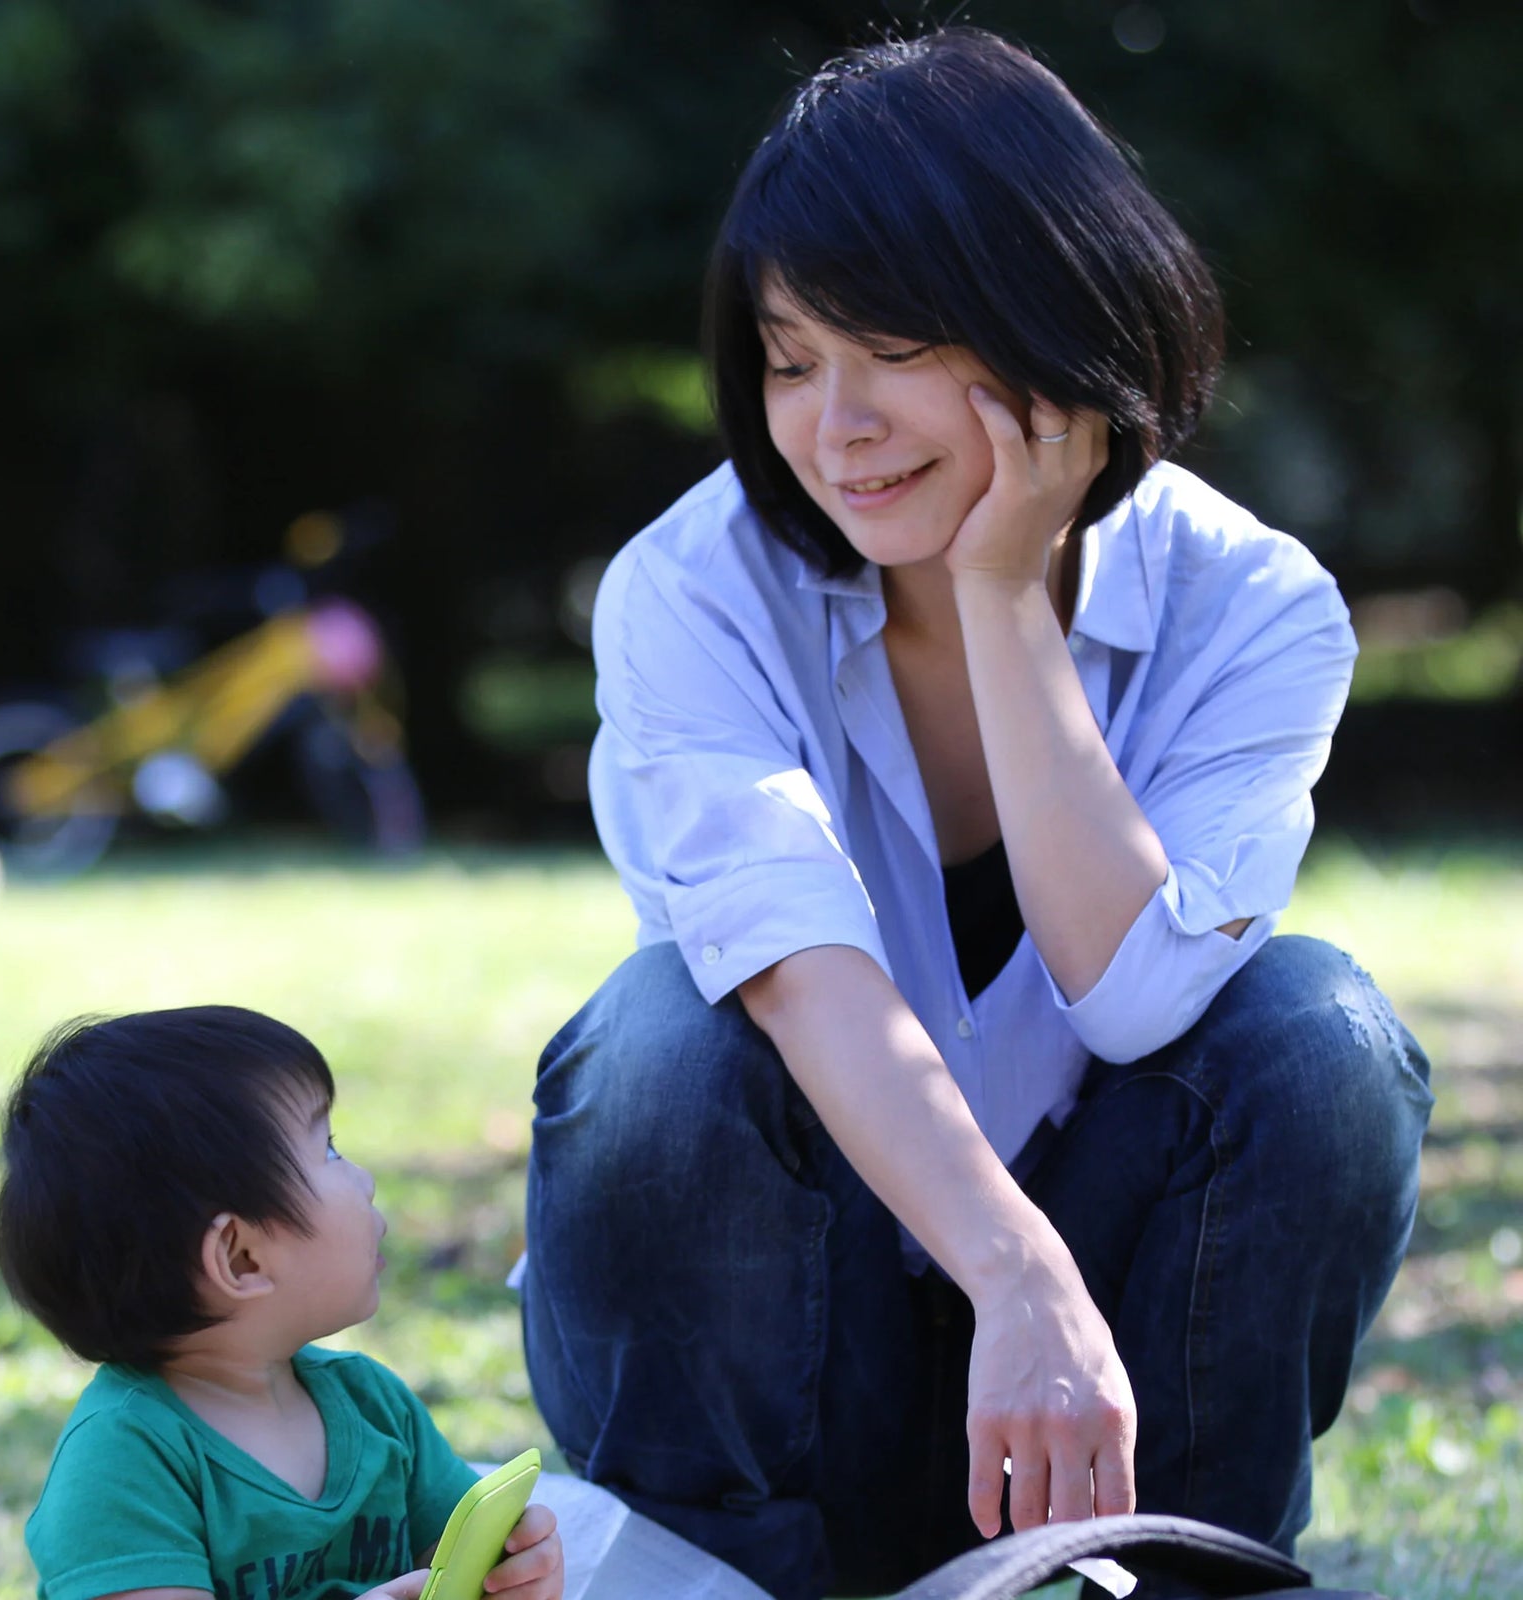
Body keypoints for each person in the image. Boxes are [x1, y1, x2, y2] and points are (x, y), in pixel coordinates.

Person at [520, 26, 1433, 1600]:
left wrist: (1004, 593)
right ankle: (707, 1583)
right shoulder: (693, 586)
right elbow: (794, 967)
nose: (837, 425)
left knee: (1316, 1034)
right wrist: (1013, 1270)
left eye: (893, 348)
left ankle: (1157, 1576)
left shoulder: (1257, 609)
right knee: (661, 1037)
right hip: (803, 1359)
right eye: (793, 361)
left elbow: (1139, 992)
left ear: (1055, 325)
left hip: (1104, 1412)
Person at [0, 1006, 564, 1600]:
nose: (366, 1180)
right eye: (331, 1151)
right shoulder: (124, 1460)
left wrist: (513, 1577)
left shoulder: (374, 1407)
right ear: (241, 1258)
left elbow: (454, 1574)